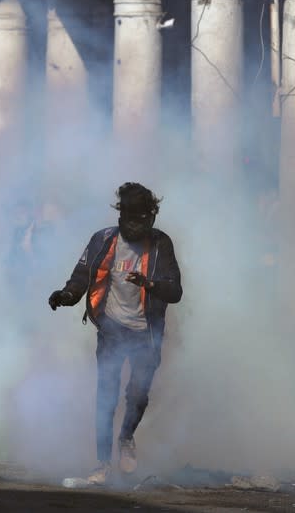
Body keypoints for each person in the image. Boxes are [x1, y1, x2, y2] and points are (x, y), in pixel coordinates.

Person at [48, 182, 183, 484]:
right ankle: (102, 464)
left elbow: (175, 291)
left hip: (146, 334)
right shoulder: (103, 240)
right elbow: (81, 277)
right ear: (121, 215)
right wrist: (66, 296)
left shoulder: (162, 245)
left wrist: (150, 284)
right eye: (130, 218)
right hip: (111, 329)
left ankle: (126, 437)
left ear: (151, 217)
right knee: (106, 395)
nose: (135, 226)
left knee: (138, 394)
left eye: (142, 219)